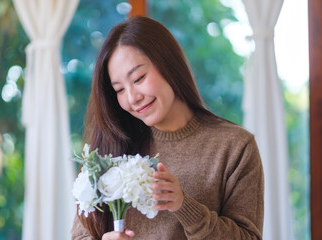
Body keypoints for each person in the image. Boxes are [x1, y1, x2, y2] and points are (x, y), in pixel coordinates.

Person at [71, 16, 264, 240]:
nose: (132, 98)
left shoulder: (235, 146)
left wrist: (184, 206)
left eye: (139, 78)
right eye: (119, 90)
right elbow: (80, 235)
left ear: (168, 63)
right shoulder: (111, 147)